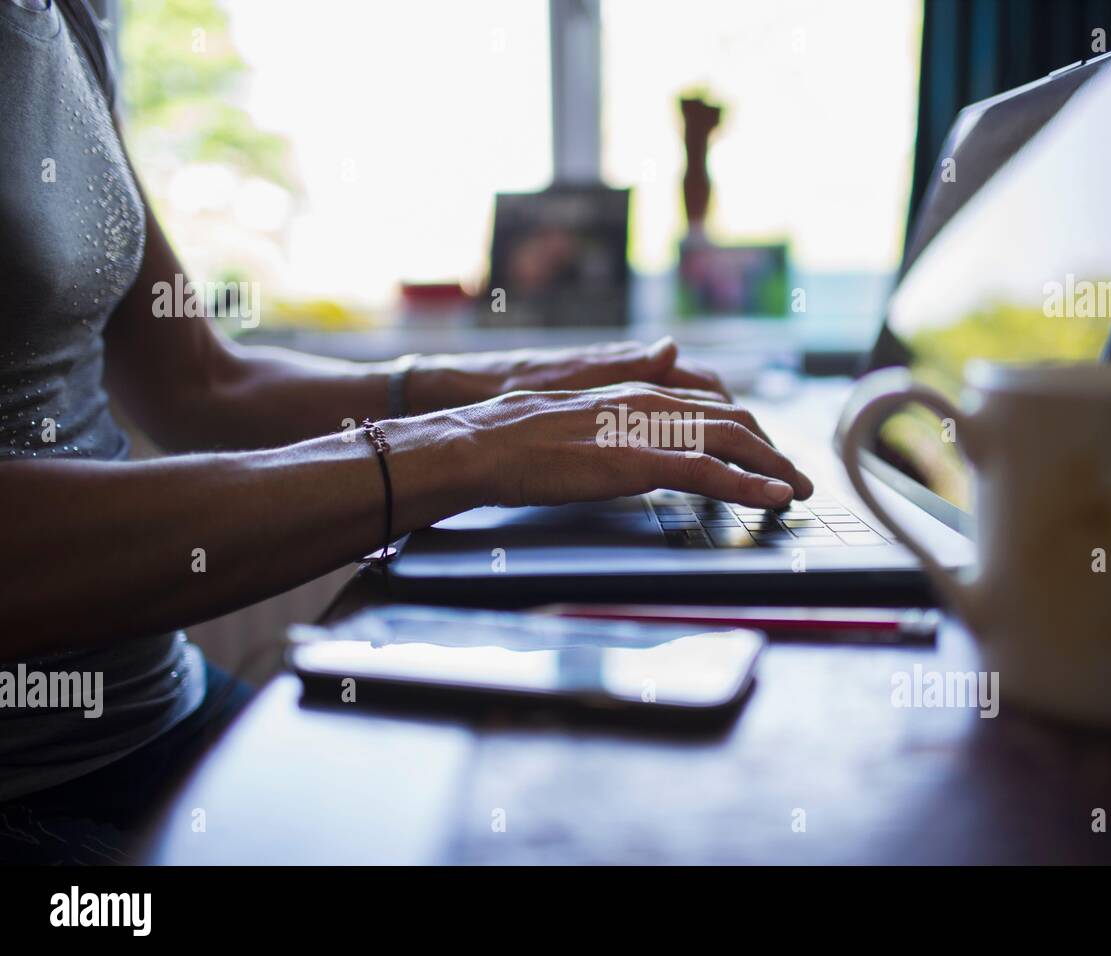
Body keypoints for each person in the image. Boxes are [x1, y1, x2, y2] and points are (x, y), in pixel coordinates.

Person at [0, 0, 812, 861]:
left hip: (163, 712)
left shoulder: (70, 17)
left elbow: (204, 381)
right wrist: (466, 448)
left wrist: (507, 389)